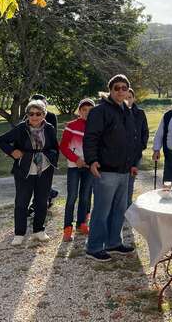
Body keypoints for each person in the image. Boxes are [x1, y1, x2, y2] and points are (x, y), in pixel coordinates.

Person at [83, 74, 138, 262]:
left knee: (119, 210)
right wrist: (92, 160)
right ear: (110, 90)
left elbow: (131, 140)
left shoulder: (127, 111)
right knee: (102, 210)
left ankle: (114, 242)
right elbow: (90, 138)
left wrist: (133, 163)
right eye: (117, 88)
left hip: (124, 171)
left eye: (124, 88)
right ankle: (94, 246)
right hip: (105, 169)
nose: (121, 91)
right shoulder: (100, 111)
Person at [0, 100, 59, 246]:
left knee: (42, 201)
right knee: (21, 202)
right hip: (24, 169)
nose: (35, 117)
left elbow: (55, 147)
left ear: (44, 115)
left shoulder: (49, 128)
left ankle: (39, 230)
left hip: (44, 168)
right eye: (31, 114)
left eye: (38, 114)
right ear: (27, 115)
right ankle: (19, 233)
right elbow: (1, 141)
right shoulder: (20, 128)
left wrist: (51, 157)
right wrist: (12, 151)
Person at [59, 98, 95, 242]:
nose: (86, 113)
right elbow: (63, 146)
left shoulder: (96, 127)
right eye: (84, 110)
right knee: (72, 197)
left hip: (89, 167)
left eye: (90, 110)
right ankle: (67, 228)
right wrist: (76, 159)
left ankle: (82, 224)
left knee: (85, 197)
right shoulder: (71, 126)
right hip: (74, 167)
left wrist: (91, 162)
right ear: (79, 111)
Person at [126, 89, 148, 206]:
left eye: (130, 97)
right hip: (121, 155)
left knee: (130, 183)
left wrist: (141, 146)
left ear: (134, 99)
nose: (127, 100)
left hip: (136, 155)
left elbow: (145, 132)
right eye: (125, 97)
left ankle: (128, 207)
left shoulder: (140, 113)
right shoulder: (117, 113)